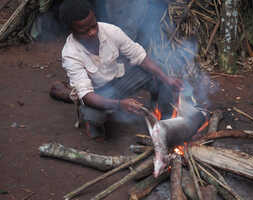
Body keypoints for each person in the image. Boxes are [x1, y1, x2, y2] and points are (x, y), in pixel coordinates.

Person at [59, 0, 183, 139]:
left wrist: (167, 79)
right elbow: (87, 96)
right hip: (97, 94)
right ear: (71, 30)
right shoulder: (70, 54)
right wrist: (120, 104)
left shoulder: (110, 31)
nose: (93, 32)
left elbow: (139, 56)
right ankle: (93, 125)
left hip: (119, 81)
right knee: (94, 116)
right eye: (85, 31)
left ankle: (160, 116)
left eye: (94, 26)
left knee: (157, 74)